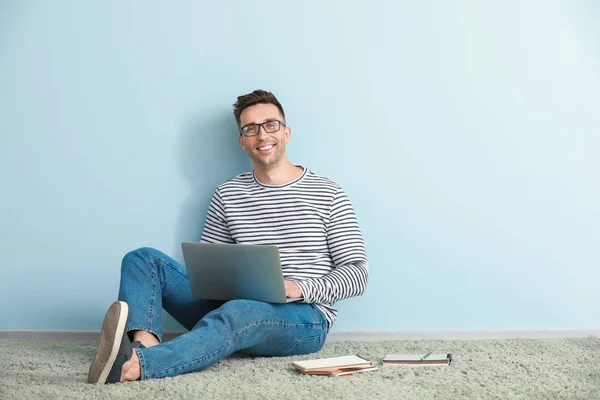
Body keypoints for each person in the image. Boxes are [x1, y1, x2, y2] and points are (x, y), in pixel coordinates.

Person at [87, 90, 369, 384]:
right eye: (251, 129)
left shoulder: (328, 193)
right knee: (142, 259)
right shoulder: (228, 194)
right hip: (233, 306)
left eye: (271, 125)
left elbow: (357, 274)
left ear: (286, 132)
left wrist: (297, 288)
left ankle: (136, 367)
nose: (262, 136)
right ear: (242, 141)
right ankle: (142, 348)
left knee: (239, 311)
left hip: (304, 318)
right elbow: (208, 269)